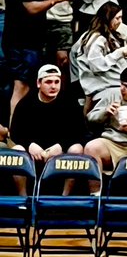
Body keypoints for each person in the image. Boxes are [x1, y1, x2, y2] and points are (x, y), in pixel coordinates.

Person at [8, 65, 86, 195]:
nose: (53, 86)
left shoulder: (70, 103)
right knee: (18, 151)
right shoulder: (26, 103)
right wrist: (30, 145)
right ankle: (23, 198)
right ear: (39, 83)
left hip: (58, 150)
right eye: (48, 82)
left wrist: (61, 146)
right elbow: (16, 132)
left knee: (76, 149)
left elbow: (80, 132)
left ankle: (64, 197)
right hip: (34, 151)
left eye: (57, 82)